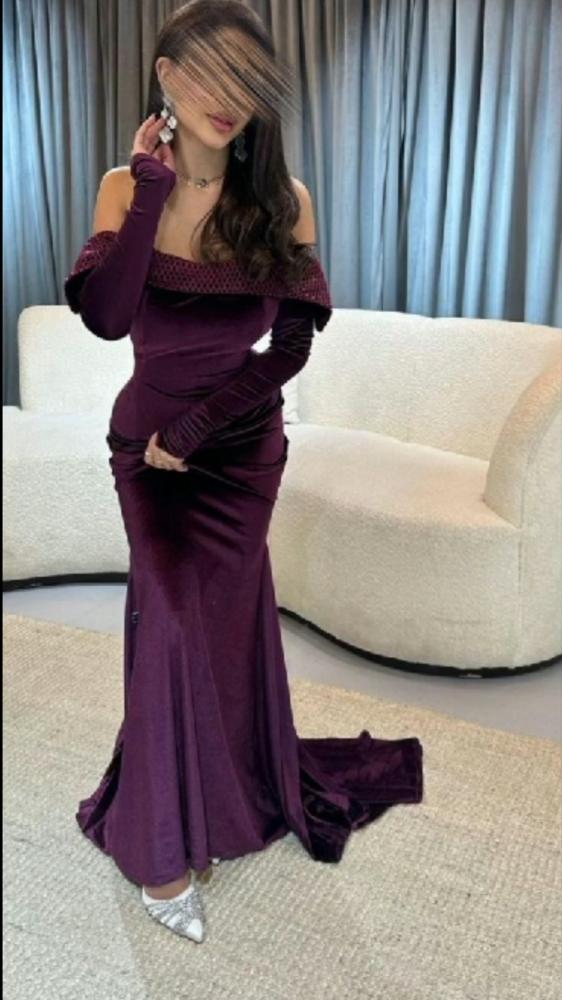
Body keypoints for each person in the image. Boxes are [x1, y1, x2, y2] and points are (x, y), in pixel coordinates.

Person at [64, 0, 423, 944]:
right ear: (166, 75)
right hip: (147, 453)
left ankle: (228, 793)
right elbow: (105, 318)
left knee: (220, 627)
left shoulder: (283, 200)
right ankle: (162, 844)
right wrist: (150, 190)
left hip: (240, 451)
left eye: (248, 80)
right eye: (210, 72)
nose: (229, 97)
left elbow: (291, 345)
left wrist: (201, 427)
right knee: (170, 618)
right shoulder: (124, 187)